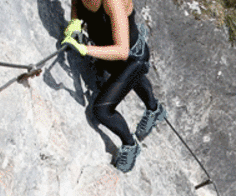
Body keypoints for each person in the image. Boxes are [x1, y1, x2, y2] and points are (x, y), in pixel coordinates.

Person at [60, 0, 167, 173]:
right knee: (127, 77)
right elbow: (76, 5)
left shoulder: (113, 2)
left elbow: (121, 51)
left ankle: (130, 145)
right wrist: (75, 23)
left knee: (102, 110)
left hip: (131, 58)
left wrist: (85, 49)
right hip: (109, 55)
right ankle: (155, 109)